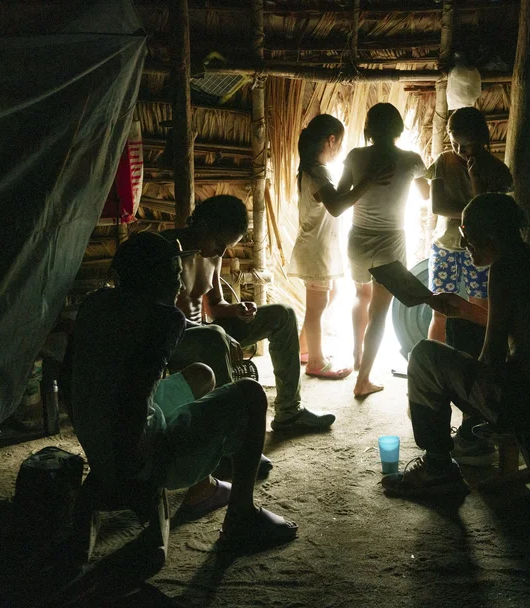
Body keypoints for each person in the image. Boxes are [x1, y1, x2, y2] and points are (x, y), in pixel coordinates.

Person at [68, 231, 297, 550]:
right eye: (173, 275)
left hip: (97, 436)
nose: (178, 284)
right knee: (250, 395)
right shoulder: (162, 320)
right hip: (134, 453)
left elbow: (71, 378)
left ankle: (204, 484)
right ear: (154, 279)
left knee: (201, 375)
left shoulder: (97, 303)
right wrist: (142, 470)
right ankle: (241, 518)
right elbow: (135, 395)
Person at [383, 194, 530, 496]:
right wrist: (464, 311)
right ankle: (462, 442)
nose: (463, 244)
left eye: (466, 234)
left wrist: (458, 380)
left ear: (490, 235)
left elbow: (493, 358)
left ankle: (438, 467)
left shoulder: (504, 270)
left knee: (423, 356)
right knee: (461, 326)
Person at [163, 195, 335, 432]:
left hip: (208, 333)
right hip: (176, 341)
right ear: (203, 226)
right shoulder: (166, 251)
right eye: (220, 243)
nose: (221, 251)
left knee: (282, 314)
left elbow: (214, 306)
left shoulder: (212, 254)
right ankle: (235, 436)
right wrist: (215, 333)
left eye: (227, 247)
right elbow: (160, 320)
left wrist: (238, 309)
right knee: (214, 337)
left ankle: (289, 412)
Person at [426, 106, 514, 465]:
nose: (463, 153)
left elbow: (490, 206)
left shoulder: (497, 170)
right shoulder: (442, 163)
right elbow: (438, 205)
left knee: (481, 311)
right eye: (456, 145)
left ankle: (480, 382)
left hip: (481, 249)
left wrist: (476, 188)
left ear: (484, 139)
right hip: (448, 245)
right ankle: (431, 373)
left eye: (470, 146)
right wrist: (472, 207)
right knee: (441, 307)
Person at [288, 114, 392, 380]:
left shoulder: (311, 169)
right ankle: (316, 363)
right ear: (331, 139)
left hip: (318, 245)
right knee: (316, 307)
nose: (340, 149)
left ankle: (304, 348)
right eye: (340, 143)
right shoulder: (317, 171)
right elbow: (336, 207)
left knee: (329, 297)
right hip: (316, 248)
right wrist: (367, 182)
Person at [340, 102, 429, 397]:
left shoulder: (355, 156)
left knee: (360, 295)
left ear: (369, 127)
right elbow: (428, 195)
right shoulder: (412, 159)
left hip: (358, 238)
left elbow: (342, 196)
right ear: (398, 128)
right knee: (379, 310)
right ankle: (363, 378)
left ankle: (356, 357)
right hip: (390, 240)